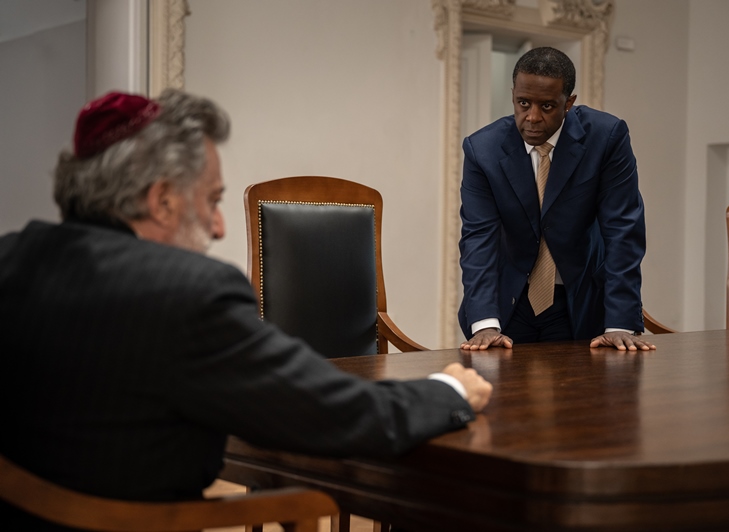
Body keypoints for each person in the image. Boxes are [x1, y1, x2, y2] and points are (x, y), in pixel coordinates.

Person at [0, 89, 492, 530]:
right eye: (212, 200)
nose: (218, 227)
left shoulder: (11, 259)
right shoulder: (189, 292)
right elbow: (330, 413)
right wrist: (447, 389)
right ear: (163, 200)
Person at [458, 46, 655, 352]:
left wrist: (619, 323)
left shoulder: (606, 138)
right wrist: (485, 324)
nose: (532, 117)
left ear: (569, 103)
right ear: (512, 95)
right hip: (508, 304)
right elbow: (478, 238)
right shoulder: (483, 150)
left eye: (547, 106)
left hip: (580, 302)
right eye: (523, 103)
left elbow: (623, 232)